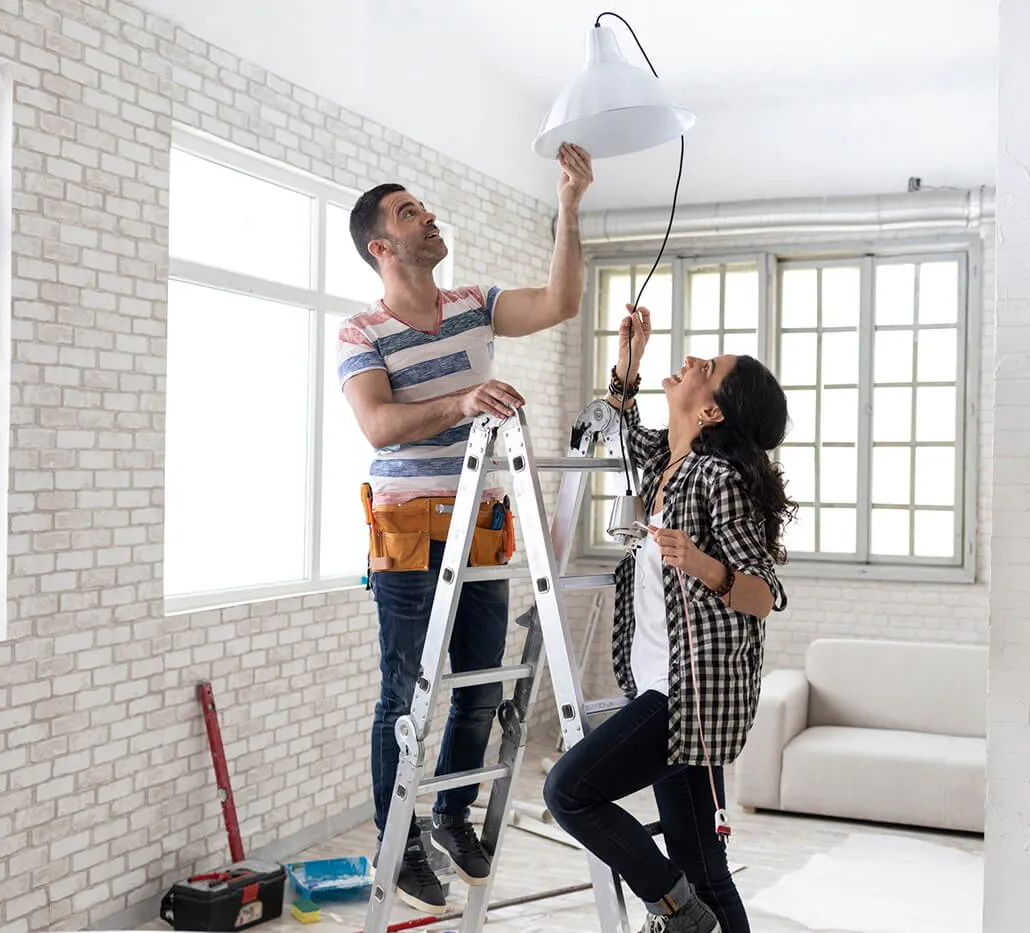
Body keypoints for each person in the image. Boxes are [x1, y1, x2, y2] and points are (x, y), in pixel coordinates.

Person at [336, 144, 595, 912]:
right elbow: (379, 426)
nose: (429, 217)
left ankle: (450, 812)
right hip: (408, 528)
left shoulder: (474, 304)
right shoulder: (361, 332)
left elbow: (560, 302)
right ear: (382, 246)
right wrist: (462, 401)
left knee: (481, 684)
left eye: (426, 208)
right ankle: (400, 834)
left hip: (482, 524)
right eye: (411, 212)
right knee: (403, 694)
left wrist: (571, 206)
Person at [543, 304, 795, 933]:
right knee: (704, 867)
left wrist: (704, 566)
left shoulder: (717, 479)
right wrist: (631, 355)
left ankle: (674, 909)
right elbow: (623, 427)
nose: (688, 363)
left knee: (569, 792)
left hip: (689, 694)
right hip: (664, 685)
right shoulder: (667, 466)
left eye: (704, 368)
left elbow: (764, 593)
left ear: (711, 411)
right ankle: (689, 905)